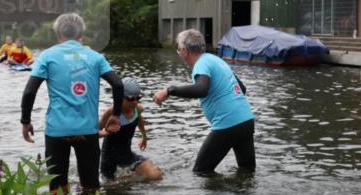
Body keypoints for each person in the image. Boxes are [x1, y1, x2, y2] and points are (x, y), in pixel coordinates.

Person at [20, 12, 124, 195]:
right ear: (81, 34)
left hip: (57, 130)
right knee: (91, 188)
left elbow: (29, 92)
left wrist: (25, 121)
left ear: (58, 33)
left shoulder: (47, 56)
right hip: (87, 130)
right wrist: (115, 115)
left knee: (58, 189)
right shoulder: (95, 57)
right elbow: (117, 84)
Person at [152, 29, 254, 174]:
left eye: (179, 50)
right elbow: (242, 89)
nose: (179, 53)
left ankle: (222, 189)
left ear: (185, 51)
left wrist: (169, 90)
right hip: (246, 121)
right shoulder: (217, 60)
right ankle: (238, 188)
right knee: (247, 172)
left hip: (227, 123)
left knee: (201, 171)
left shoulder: (201, 64)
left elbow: (201, 89)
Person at [99, 78, 162, 182]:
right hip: (109, 159)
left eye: (138, 98)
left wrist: (144, 137)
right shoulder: (111, 112)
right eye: (130, 98)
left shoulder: (138, 108)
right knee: (113, 188)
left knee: (155, 175)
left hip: (127, 155)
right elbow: (93, 133)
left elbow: (139, 120)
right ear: (119, 97)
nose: (135, 102)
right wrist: (106, 132)